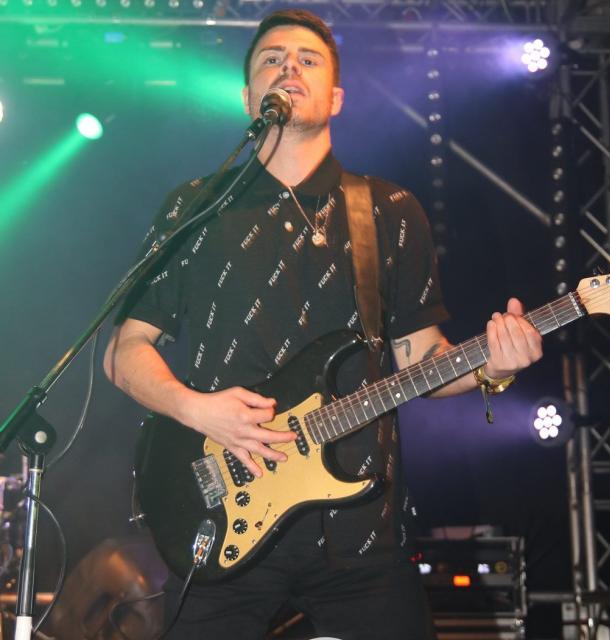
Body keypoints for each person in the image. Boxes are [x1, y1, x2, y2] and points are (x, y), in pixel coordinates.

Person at [104, 9, 543, 640]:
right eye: (272, 58)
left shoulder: (389, 211)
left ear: (335, 97)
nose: (289, 67)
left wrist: (491, 369)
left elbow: (421, 359)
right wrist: (196, 409)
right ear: (248, 97)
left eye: (308, 60)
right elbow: (125, 350)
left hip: (361, 531)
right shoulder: (196, 206)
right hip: (223, 515)